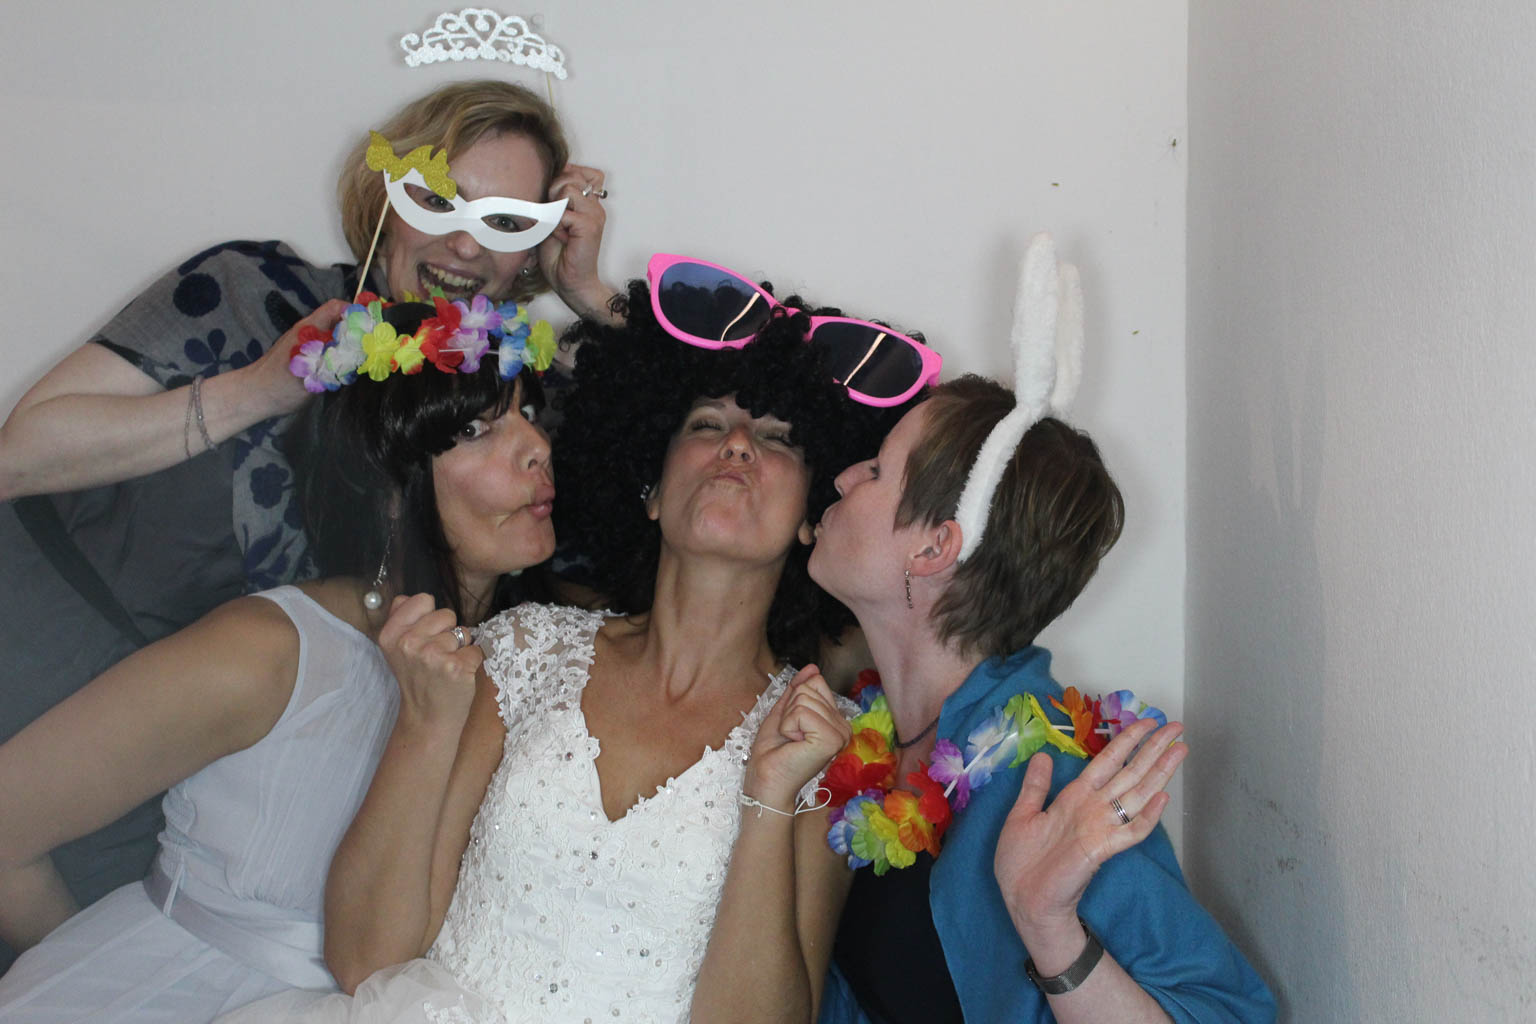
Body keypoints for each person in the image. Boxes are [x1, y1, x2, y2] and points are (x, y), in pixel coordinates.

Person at [0, 79, 615, 970]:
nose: (464, 243)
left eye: (506, 221)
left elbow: (689, 464)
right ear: (384, 195)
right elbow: (17, 457)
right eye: (438, 200)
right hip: (44, 664)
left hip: (222, 777)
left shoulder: (511, 386)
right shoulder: (254, 293)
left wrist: (593, 294)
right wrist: (261, 389)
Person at [223, 270, 929, 1024]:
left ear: (812, 516)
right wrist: (425, 725)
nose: (736, 445)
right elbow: (367, 959)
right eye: (705, 424)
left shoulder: (825, 744)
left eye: (778, 437)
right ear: (650, 490)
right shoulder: (522, 649)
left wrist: (767, 798)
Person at [0, 296, 561, 1019]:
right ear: (390, 489)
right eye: (477, 430)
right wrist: (95, 970)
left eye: (531, 414)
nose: (536, 447)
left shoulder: (548, 664)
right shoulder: (272, 650)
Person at [807, 375, 1275, 1022]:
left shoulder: (1051, 773)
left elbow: (1227, 1012)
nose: (844, 479)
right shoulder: (870, 743)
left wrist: (1048, 925)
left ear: (935, 546)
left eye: (877, 470)